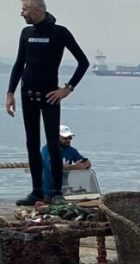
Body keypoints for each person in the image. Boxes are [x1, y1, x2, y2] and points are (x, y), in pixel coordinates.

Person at [5, 0, 89, 206]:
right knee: (31, 143)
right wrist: (10, 93)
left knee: (53, 143)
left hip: (50, 95)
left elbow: (83, 62)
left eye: (24, 9)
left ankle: (56, 192)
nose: (21, 13)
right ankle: (37, 192)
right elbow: (18, 64)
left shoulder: (59, 32)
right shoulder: (26, 33)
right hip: (28, 94)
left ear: (38, 9)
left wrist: (67, 89)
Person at [41, 124, 89, 198]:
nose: (68, 140)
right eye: (65, 138)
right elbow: (52, 166)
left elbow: (81, 160)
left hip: (64, 190)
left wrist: (87, 163)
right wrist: (74, 167)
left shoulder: (71, 151)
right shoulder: (47, 149)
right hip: (47, 191)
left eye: (70, 138)